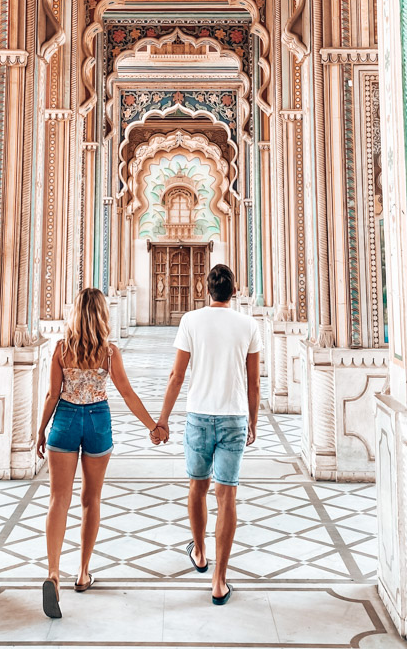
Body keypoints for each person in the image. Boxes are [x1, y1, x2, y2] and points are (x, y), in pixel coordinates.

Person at [36, 287, 167, 619]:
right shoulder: (109, 354)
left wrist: (41, 430)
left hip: (65, 420)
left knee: (58, 499)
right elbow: (127, 393)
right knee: (90, 499)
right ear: (101, 315)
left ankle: (53, 573)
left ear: (76, 314)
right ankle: (82, 572)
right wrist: (153, 426)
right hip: (97, 420)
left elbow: (53, 394)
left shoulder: (61, 350)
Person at [153, 264, 261, 606]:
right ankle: (218, 581)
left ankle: (200, 552)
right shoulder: (248, 325)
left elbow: (176, 375)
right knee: (226, 497)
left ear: (207, 290)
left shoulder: (191, 320)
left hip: (199, 416)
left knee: (197, 487)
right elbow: (255, 383)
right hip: (234, 416)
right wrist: (254, 423)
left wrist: (163, 419)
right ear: (234, 290)